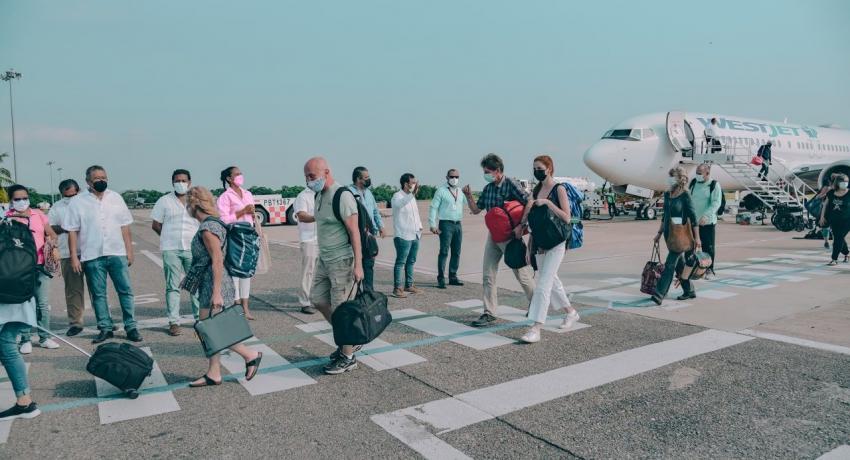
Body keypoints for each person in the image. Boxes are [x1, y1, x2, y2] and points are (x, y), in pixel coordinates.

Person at [182, 187, 263, 387]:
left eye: (188, 206)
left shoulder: (208, 228)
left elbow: (217, 260)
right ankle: (214, 372)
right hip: (211, 282)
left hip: (215, 283)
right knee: (210, 329)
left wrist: (216, 293)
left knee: (209, 329)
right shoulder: (214, 223)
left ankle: (250, 355)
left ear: (194, 205)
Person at [64, 165, 141, 343]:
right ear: (88, 181)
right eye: (97, 178)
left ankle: (131, 327)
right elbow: (72, 232)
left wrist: (129, 251)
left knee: (125, 291)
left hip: (117, 253)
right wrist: (74, 257)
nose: (102, 181)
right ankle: (105, 328)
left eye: (104, 177)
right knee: (98, 295)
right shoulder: (78, 202)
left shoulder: (116, 198)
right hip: (92, 256)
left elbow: (125, 227)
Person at [304, 157, 364, 375]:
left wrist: (358, 265)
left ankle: (348, 356)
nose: (309, 180)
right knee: (318, 299)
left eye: (312, 176)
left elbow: (354, 232)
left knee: (341, 311)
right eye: (306, 177)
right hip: (325, 259)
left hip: (342, 261)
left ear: (326, 172)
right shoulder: (319, 195)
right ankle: (347, 338)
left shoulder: (343, 195)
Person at [463, 154, 536, 327]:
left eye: (488, 171)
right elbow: (475, 210)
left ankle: (536, 305)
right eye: (484, 172)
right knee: (488, 274)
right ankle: (489, 312)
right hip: (493, 236)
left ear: (498, 171)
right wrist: (468, 196)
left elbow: (529, 202)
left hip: (511, 236)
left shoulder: (511, 184)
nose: (486, 174)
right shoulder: (488, 188)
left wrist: (521, 225)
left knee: (522, 275)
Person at [518, 156, 581, 343]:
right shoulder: (536, 190)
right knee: (552, 280)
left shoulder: (558, 189)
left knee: (543, 285)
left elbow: (567, 218)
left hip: (557, 242)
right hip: (540, 243)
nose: (536, 171)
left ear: (549, 168)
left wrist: (547, 203)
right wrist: (530, 247)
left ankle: (536, 327)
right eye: (534, 168)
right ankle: (571, 312)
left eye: (539, 168)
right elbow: (533, 223)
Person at [5, 185, 60, 352]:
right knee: (24, 303)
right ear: (11, 201)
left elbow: (51, 233)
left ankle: (45, 337)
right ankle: (25, 339)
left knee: (42, 304)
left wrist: (51, 244)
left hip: (40, 265)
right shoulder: (7, 218)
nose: (22, 201)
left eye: (24, 198)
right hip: (19, 268)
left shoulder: (38, 214)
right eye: (17, 199)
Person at [151, 169, 201, 336]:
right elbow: (156, 224)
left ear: (190, 182)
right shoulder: (164, 201)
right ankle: (174, 322)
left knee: (195, 285)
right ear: (172, 182)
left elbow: (203, 222)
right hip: (171, 249)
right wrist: (167, 236)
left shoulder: (196, 201)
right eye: (177, 180)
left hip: (192, 249)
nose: (181, 183)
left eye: (184, 180)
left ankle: (200, 319)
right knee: (172, 286)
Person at [651, 167, 702, 305]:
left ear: (679, 178)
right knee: (680, 265)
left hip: (681, 235)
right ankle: (689, 290)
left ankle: (659, 293)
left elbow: (694, 217)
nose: (669, 179)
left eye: (672, 176)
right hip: (670, 234)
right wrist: (659, 233)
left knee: (669, 265)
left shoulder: (685, 195)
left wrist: (697, 238)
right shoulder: (668, 194)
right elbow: (664, 216)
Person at [217, 166, 256, 320]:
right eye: (237, 174)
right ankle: (236, 307)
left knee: (246, 272)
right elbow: (223, 219)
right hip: (234, 237)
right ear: (229, 178)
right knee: (235, 273)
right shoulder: (225, 197)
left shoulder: (248, 194)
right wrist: (241, 212)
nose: (240, 176)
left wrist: (251, 214)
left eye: (241, 173)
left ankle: (246, 308)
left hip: (248, 236)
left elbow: (251, 216)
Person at [48, 179, 87, 336]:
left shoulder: (86, 203)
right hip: (67, 254)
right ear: (62, 194)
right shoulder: (57, 208)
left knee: (97, 289)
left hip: (89, 251)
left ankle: (105, 322)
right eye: (67, 196)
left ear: (78, 191)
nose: (71, 198)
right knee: (73, 290)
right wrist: (67, 227)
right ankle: (75, 323)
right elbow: (49, 228)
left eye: (74, 194)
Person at [0, 296, 40, 420]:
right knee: (6, 343)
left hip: (10, 299)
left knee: (6, 345)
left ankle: (24, 402)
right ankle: (24, 401)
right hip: (21, 297)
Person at [429, 169, 469, 289]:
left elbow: (468, 204)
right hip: (445, 224)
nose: (454, 179)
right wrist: (432, 224)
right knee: (444, 251)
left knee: (456, 252)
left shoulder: (460, 191)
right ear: (447, 177)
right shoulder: (441, 191)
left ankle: (453, 276)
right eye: (452, 176)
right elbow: (433, 207)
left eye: (457, 176)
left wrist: (469, 194)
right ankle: (441, 278)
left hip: (458, 224)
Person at [349, 167, 385, 292]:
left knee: (369, 264)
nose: (369, 179)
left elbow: (375, 211)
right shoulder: (349, 193)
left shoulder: (369, 193)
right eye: (366, 177)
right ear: (358, 179)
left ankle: (369, 291)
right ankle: (356, 293)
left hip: (370, 234)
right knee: (356, 263)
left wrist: (381, 226)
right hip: (356, 234)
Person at [391, 173, 423, 298]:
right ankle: (397, 288)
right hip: (403, 235)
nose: (414, 184)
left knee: (411, 261)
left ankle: (409, 285)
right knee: (401, 262)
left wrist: (420, 226)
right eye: (412, 182)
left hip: (415, 234)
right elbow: (399, 205)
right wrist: (412, 194)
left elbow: (415, 214)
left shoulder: (412, 197)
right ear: (405, 184)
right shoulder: (397, 196)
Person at [689, 164, 722, 279]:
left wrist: (706, 215)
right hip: (693, 223)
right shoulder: (693, 183)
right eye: (696, 173)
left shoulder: (713, 185)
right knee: (689, 247)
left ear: (707, 174)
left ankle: (709, 270)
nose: (697, 175)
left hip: (706, 222)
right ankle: (689, 269)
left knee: (708, 247)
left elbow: (716, 203)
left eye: (699, 173)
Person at [293, 187, 318, 314]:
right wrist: (319, 217)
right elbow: (302, 216)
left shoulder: (325, 193)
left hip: (324, 238)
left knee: (324, 272)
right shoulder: (303, 196)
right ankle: (305, 302)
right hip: (309, 239)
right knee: (308, 271)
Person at [819, 173, 850, 265]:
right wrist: (822, 216)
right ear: (837, 183)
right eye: (843, 182)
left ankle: (834, 259)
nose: (845, 183)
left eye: (846, 182)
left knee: (838, 238)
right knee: (838, 238)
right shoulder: (831, 193)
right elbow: (825, 205)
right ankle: (847, 253)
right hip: (834, 220)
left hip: (847, 220)